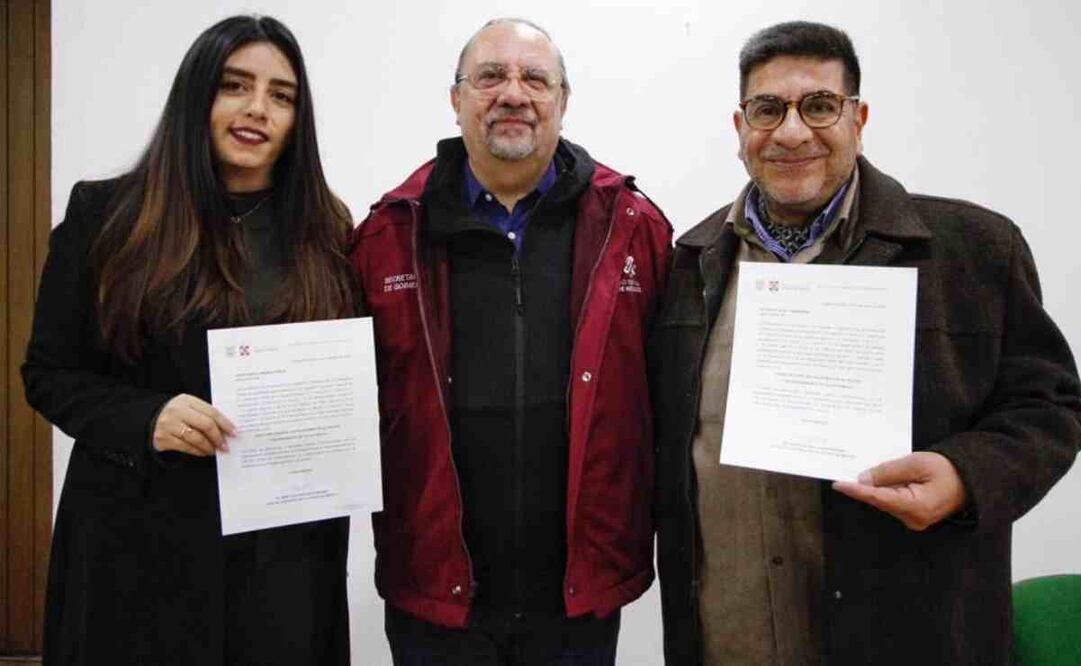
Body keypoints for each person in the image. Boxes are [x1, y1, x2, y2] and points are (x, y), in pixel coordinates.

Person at [652, 20, 1081, 666]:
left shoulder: (973, 250)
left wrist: (964, 478)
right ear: (740, 129)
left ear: (858, 118)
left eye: (819, 105)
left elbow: (1049, 407)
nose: (792, 131)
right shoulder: (689, 261)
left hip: (907, 639)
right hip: (729, 640)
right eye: (767, 109)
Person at [22, 15, 355, 666]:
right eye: (234, 86)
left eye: (281, 96)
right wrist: (149, 417)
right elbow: (49, 373)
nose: (257, 108)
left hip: (281, 554)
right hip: (137, 544)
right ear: (196, 95)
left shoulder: (327, 230)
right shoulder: (107, 216)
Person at [349, 17, 672, 666]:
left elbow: (669, 397)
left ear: (563, 100)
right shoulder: (388, 234)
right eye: (490, 76)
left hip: (576, 596)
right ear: (456, 99)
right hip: (436, 593)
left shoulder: (633, 227)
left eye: (535, 78)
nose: (513, 93)